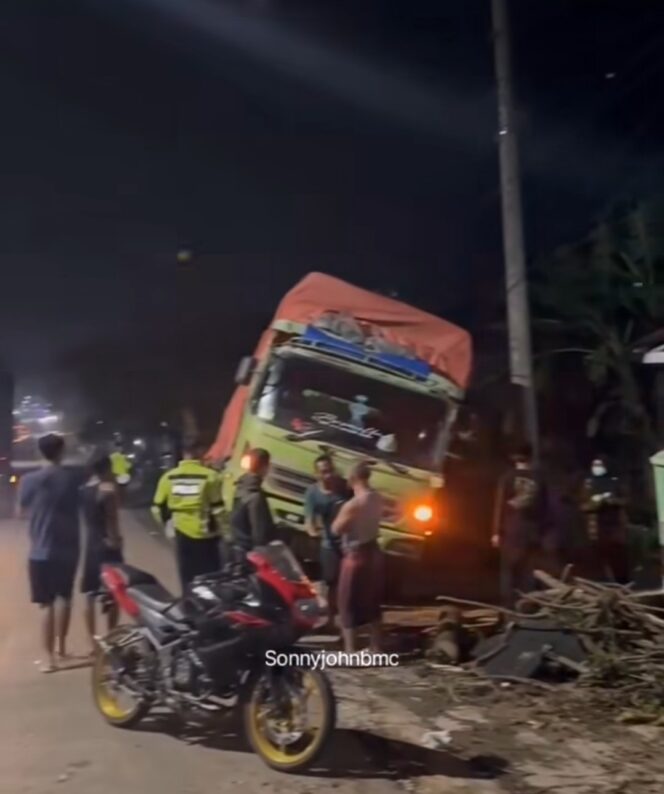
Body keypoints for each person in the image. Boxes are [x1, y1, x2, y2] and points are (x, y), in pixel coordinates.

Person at [17, 433, 81, 673]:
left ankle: (48, 659)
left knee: (46, 604)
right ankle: (62, 649)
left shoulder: (29, 480)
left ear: (39, 452)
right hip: (69, 547)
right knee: (65, 598)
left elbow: (20, 511)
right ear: (61, 451)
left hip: (40, 550)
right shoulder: (73, 478)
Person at [151, 439, 224, 589]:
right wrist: (226, 531)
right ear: (200, 454)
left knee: (187, 577)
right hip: (208, 536)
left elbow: (157, 508)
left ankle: (189, 607)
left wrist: (168, 526)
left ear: (184, 454)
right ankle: (211, 609)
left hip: (182, 534)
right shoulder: (211, 476)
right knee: (210, 577)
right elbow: (219, 509)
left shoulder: (168, 477)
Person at [332, 460, 384, 653]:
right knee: (372, 601)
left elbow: (336, 529)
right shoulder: (377, 497)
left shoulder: (353, 504)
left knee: (346, 603)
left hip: (356, 556)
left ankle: (350, 651)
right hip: (374, 552)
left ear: (352, 478)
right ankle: (376, 647)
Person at [491, 444, 549, 607]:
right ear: (530, 457)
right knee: (529, 570)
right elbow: (544, 508)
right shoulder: (539, 479)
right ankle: (528, 604)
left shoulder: (507, 478)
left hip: (511, 530)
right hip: (532, 531)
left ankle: (509, 604)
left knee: (510, 570)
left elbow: (499, 506)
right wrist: (544, 531)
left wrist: (495, 532)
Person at [80, 452, 124, 653]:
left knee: (89, 594)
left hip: (91, 545)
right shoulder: (109, 490)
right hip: (107, 546)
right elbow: (111, 519)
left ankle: (93, 643)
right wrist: (116, 541)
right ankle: (111, 638)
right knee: (114, 593)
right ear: (107, 468)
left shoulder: (83, 489)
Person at [304, 454, 351, 632]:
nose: (328, 475)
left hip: (349, 545)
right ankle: (329, 620)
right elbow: (309, 519)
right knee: (329, 583)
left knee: (346, 585)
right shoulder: (313, 493)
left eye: (331, 471)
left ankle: (346, 622)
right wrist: (312, 531)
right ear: (316, 474)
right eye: (324, 472)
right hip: (329, 546)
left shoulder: (345, 488)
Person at [580, 456, 629, 584]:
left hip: (614, 527)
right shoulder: (588, 483)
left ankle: (622, 582)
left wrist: (612, 500)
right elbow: (583, 506)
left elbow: (625, 500)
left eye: (599, 465)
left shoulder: (615, 481)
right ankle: (603, 583)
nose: (597, 468)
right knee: (600, 558)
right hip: (597, 528)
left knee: (618, 558)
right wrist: (595, 502)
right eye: (595, 465)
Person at [230, 448, 277, 561]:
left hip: (236, 546)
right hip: (249, 552)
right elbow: (259, 534)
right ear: (265, 467)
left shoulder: (240, 488)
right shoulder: (255, 496)